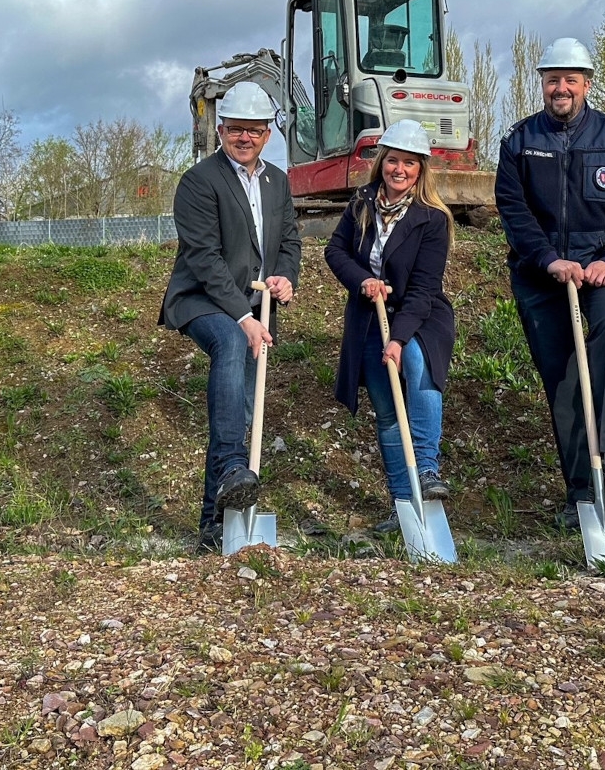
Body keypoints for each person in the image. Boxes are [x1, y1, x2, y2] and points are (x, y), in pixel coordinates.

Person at [496, 37, 605, 531]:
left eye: (571, 79)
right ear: (542, 85)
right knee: (563, 374)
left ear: (587, 84)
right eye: (552, 80)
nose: (561, 88)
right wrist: (548, 259)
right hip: (540, 273)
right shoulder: (519, 141)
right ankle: (579, 490)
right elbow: (514, 210)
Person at [159, 81, 302, 551]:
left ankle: (213, 523)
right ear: (220, 130)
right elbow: (204, 258)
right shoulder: (199, 182)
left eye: (254, 131)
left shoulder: (277, 181)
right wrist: (243, 316)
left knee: (238, 407)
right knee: (230, 343)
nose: (245, 138)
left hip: (255, 303)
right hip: (203, 298)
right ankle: (235, 466)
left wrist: (284, 277)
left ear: (267, 134)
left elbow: (289, 242)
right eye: (236, 129)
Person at [324, 120, 455, 530]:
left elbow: (424, 288)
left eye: (409, 163)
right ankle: (403, 505)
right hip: (368, 315)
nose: (400, 170)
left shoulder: (432, 219)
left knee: (417, 365)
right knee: (386, 410)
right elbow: (335, 251)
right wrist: (362, 280)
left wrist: (398, 340)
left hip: (422, 314)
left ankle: (428, 472)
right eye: (393, 160)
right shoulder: (361, 204)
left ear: (421, 170)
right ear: (381, 163)